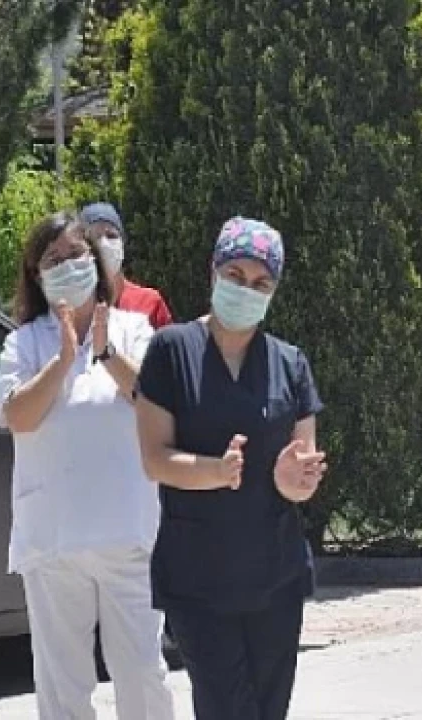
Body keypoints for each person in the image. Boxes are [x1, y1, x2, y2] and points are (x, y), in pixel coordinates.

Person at [134, 217, 327, 719]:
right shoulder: (171, 350)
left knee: (267, 711)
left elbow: (303, 472)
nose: (246, 290)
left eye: (261, 283)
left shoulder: (290, 363)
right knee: (228, 709)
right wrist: (216, 472)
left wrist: (293, 481)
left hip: (275, 575)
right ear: (214, 271)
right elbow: (154, 458)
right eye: (236, 276)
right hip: (197, 577)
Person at [0, 211, 174, 720]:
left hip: (129, 537)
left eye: (76, 254)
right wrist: (62, 359)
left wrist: (105, 353)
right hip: (53, 544)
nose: (68, 265)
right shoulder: (24, 342)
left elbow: (157, 404)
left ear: (95, 261)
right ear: (37, 277)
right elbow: (19, 417)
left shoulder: (133, 329)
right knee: (62, 687)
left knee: (142, 674)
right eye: (53, 259)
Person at [81, 201, 175, 330]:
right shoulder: (77, 307)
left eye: (111, 235)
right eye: (94, 238)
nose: (104, 243)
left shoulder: (150, 302)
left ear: (122, 243)